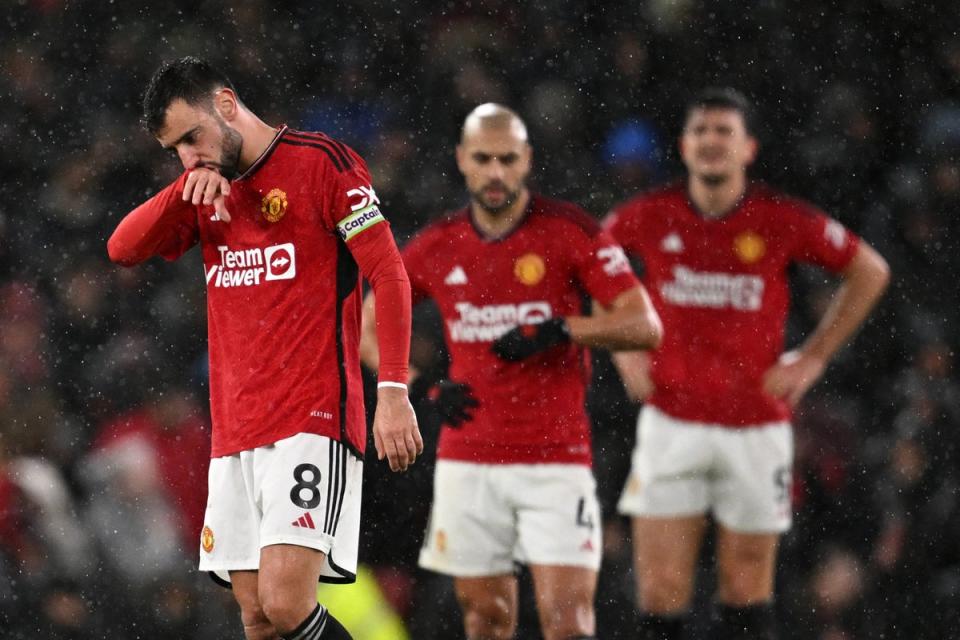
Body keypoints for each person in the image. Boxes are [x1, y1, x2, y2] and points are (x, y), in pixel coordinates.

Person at [107, 56, 422, 640]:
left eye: (192, 138)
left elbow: (391, 274)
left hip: (312, 417)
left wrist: (395, 390)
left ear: (226, 105)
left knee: (285, 602)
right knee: (256, 618)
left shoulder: (321, 163)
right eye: (174, 148)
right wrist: (181, 191)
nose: (188, 156)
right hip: (234, 432)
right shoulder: (199, 191)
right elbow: (121, 249)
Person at [360, 103, 663, 640]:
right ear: (462, 161)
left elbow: (644, 325)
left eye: (507, 159)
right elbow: (366, 326)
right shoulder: (437, 244)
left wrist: (562, 328)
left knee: (568, 622)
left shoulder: (570, 232)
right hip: (469, 459)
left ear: (527, 160)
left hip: (557, 458)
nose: (496, 172)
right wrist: (419, 386)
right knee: (485, 619)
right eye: (483, 159)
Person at [604, 88, 891, 640]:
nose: (712, 141)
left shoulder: (778, 218)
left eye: (724, 132)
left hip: (755, 427)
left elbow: (869, 270)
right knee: (660, 592)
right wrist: (624, 352)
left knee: (745, 587)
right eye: (702, 131)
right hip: (672, 422)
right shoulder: (650, 214)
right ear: (685, 147)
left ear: (748, 148)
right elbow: (587, 263)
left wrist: (813, 358)